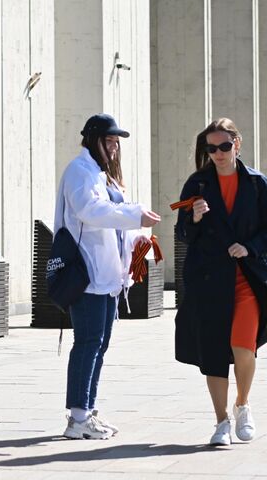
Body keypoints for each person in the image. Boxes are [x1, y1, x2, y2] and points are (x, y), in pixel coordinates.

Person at [175, 117, 267, 447]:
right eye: (211, 148)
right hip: (208, 279)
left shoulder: (257, 183)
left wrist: (249, 247)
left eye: (224, 146)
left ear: (237, 144)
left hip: (247, 276)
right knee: (214, 351)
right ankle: (221, 422)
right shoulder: (197, 184)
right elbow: (182, 234)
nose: (218, 153)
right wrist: (196, 217)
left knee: (244, 347)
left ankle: (243, 404)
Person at [56, 113, 161, 439]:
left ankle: (87, 410)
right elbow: (91, 212)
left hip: (107, 276)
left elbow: (115, 225)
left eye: (117, 143)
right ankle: (77, 417)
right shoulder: (80, 172)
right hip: (87, 273)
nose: (115, 148)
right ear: (94, 140)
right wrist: (134, 215)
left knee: (99, 345)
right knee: (87, 343)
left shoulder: (103, 176)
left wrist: (137, 238)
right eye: (110, 141)